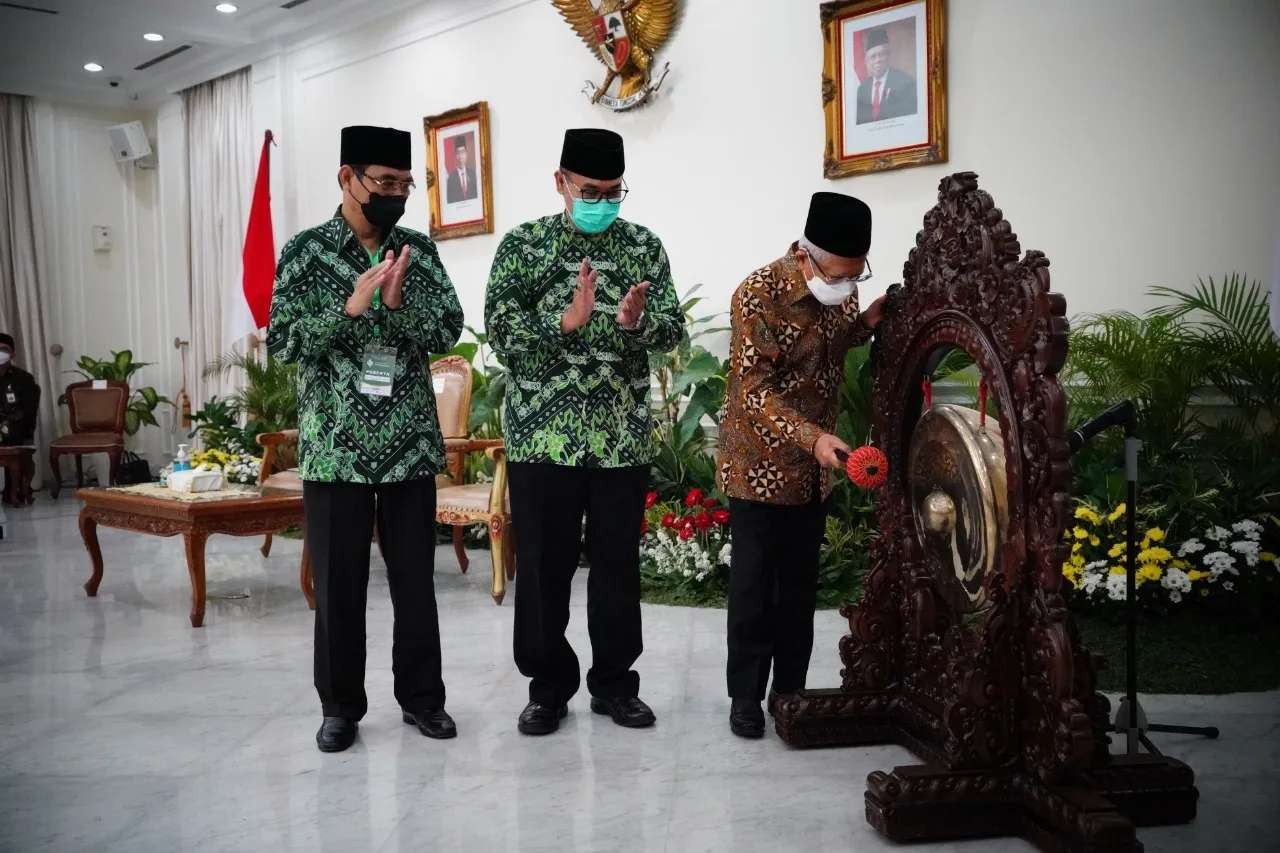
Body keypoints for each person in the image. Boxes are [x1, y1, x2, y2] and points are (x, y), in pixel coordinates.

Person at [267, 125, 464, 753]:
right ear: (347, 178)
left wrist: (399, 305)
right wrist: (349, 310)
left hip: (406, 445)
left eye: (405, 185)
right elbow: (283, 343)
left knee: (415, 584)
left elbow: (449, 327)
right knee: (339, 586)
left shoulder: (417, 250)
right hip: (336, 449)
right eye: (384, 183)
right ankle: (340, 707)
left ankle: (423, 701)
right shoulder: (306, 252)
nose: (396, 195)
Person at [484, 128, 685, 736]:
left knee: (617, 566)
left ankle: (616, 685)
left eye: (614, 192)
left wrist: (634, 322)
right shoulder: (523, 247)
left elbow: (671, 327)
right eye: (590, 190)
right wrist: (563, 323)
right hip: (544, 441)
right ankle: (547, 688)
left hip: (619, 439)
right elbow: (502, 330)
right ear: (561, 183)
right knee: (543, 567)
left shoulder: (643, 247)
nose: (602, 201)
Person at [716, 192, 886, 738]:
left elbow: (828, 352)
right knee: (753, 588)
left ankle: (788, 690)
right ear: (809, 257)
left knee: (799, 589)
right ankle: (745, 695)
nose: (847, 287)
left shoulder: (842, 295)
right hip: (758, 466)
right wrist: (810, 438)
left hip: (816, 470)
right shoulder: (758, 294)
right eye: (839, 274)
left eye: (855, 276)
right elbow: (754, 393)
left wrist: (865, 325)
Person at [855, 28, 917, 124]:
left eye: (881, 54)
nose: (877, 60)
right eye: (873, 56)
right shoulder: (862, 89)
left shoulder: (906, 83)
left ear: (888, 56)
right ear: (867, 61)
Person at [0, 333, 38, 449]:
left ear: (13, 354)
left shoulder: (24, 378)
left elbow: (27, 413)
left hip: (15, 432)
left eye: (4, 350)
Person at [445, 137, 478, 203]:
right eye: (458, 153)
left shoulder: (473, 174)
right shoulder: (451, 179)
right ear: (455, 155)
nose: (460, 156)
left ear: (466, 153)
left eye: (463, 152)